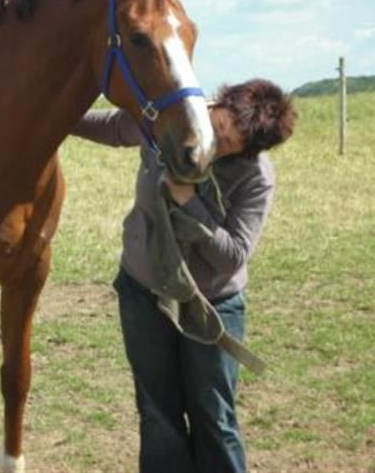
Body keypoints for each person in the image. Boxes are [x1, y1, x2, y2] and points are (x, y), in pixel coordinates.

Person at [72, 78, 297, 473]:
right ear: (217, 104)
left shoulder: (255, 177)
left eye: (228, 144)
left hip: (209, 304)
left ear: (246, 151)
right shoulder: (170, 121)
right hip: (143, 291)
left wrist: (188, 201)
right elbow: (114, 126)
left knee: (213, 416)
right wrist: (61, 119)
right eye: (218, 127)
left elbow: (233, 257)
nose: (214, 141)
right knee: (157, 412)